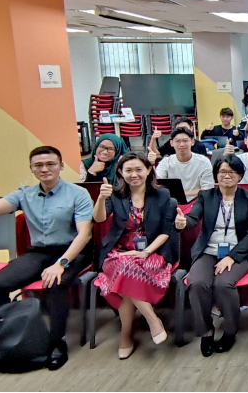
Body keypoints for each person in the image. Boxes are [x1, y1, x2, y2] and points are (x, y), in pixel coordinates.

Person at [0, 146, 93, 375]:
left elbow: (84, 235)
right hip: (38, 253)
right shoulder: (24, 194)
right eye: (38, 165)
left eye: (50, 164)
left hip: (71, 251)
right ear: (32, 168)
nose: (44, 169)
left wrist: (61, 264)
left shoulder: (77, 193)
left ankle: (56, 341)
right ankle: (5, 341)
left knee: (55, 284)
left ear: (61, 166)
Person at [92, 153, 179, 359]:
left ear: (148, 170)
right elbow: (99, 218)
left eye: (139, 169)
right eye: (128, 170)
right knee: (124, 266)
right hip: (119, 252)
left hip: (152, 253)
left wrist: (145, 252)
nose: (134, 174)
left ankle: (126, 333)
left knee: (126, 272)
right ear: (120, 173)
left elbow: (166, 232)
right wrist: (101, 198)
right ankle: (152, 319)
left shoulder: (163, 195)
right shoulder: (115, 195)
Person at [176, 154, 248, 358]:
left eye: (232, 172)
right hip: (209, 251)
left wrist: (232, 257)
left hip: (239, 253)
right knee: (197, 283)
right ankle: (206, 332)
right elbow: (193, 217)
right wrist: (183, 222)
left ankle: (230, 330)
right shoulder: (207, 196)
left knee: (223, 284)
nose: (227, 176)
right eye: (222, 172)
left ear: (240, 175)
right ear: (216, 175)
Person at [155, 127, 214, 203]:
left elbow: (208, 190)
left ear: (192, 142)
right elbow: (156, 183)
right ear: (171, 143)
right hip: (174, 202)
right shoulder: (166, 161)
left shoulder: (204, 162)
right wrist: (151, 164)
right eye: (177, 141)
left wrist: (182, 194)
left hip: (198, 201)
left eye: (185, 140)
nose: (182, 144)